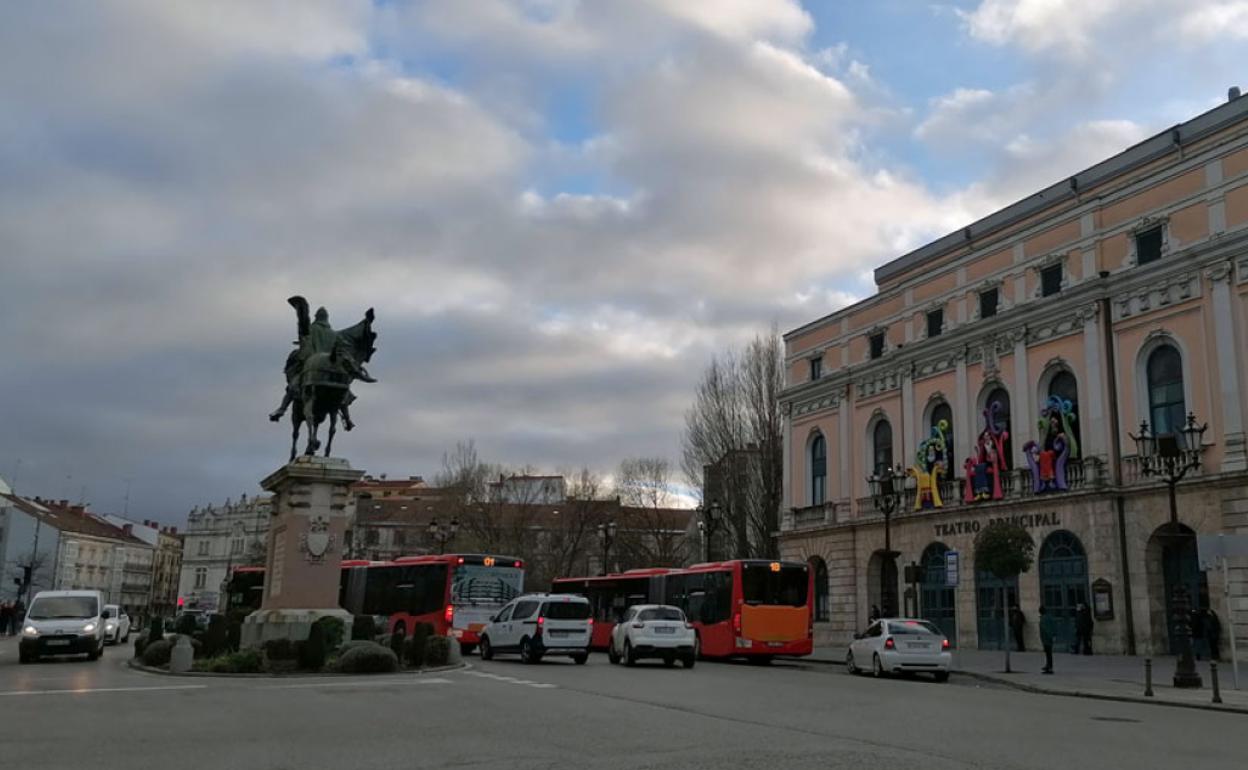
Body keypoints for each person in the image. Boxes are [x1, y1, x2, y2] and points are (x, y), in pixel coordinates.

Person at [1039, 605, 1055, 674]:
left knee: (1048, 653)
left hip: (1046, 638)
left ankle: (1049, 667)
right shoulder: (1049, 617)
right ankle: (1048, 665)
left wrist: (1050, 636)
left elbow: (1046, 629)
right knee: (1048, 653)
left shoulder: (1044, 619)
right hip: (1047, 638)